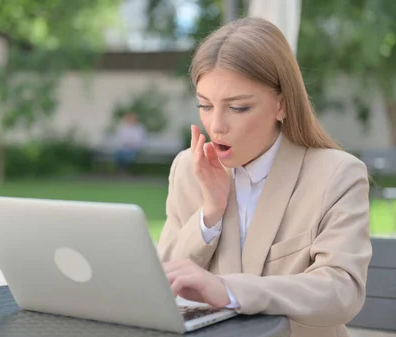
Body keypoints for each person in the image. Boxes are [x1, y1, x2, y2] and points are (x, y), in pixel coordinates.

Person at [156, 17, 372, 337]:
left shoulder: (337, 175)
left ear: (281, 105)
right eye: (205, 105)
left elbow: (341, 292)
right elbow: (162, 281)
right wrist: (209, 214)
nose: (216, 126)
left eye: (238, 108)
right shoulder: (189, 169)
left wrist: (228, 290)